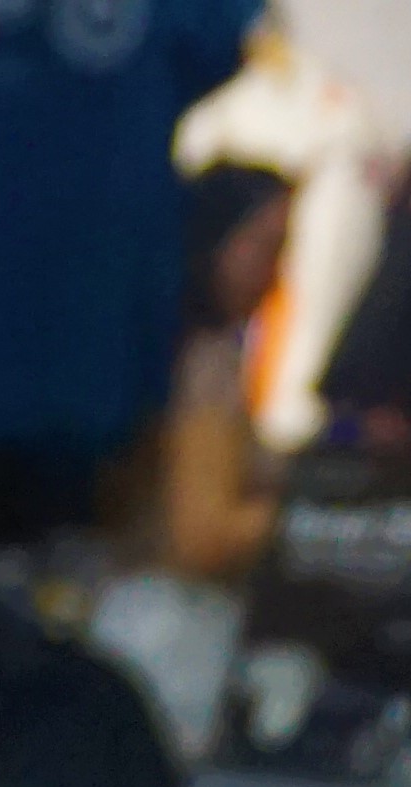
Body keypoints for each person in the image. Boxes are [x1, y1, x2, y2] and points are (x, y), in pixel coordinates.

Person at [120, 162, 291, 584]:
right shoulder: (206, 363)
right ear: (216, 240)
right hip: (167, 604)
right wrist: (302, 513)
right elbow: (203, 536)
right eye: (269, 249)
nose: (276, 276)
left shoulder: (149, 341)